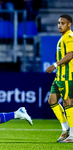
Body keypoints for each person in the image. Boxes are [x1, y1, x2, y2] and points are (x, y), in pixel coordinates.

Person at [46, 14, 73, 143]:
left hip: (67, 76)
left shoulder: (69, 37)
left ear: (69, 24)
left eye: (63, 23)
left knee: (68, 103)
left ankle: (72, 135)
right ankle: (65, 129)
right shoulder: (63, 37)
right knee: (52, 101)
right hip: (59, 76)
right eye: (58, 23)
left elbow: (70, 54)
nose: (59, 25)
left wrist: (54, 65)